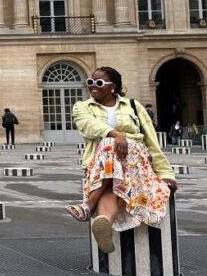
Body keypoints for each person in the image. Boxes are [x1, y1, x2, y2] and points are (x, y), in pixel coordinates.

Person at [66, 66, 176, 254]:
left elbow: (151, 139)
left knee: (110, 151)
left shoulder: (133, 106)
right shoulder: (82, 107)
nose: (93, 86)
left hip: (134, 159)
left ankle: (89, 205)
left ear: (113, 87)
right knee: (110, 152)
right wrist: (116, 135)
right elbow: (89, 126)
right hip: (101, 163)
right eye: (90, 82)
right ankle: (104, 223)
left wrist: (166, 173)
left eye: (99, 82)